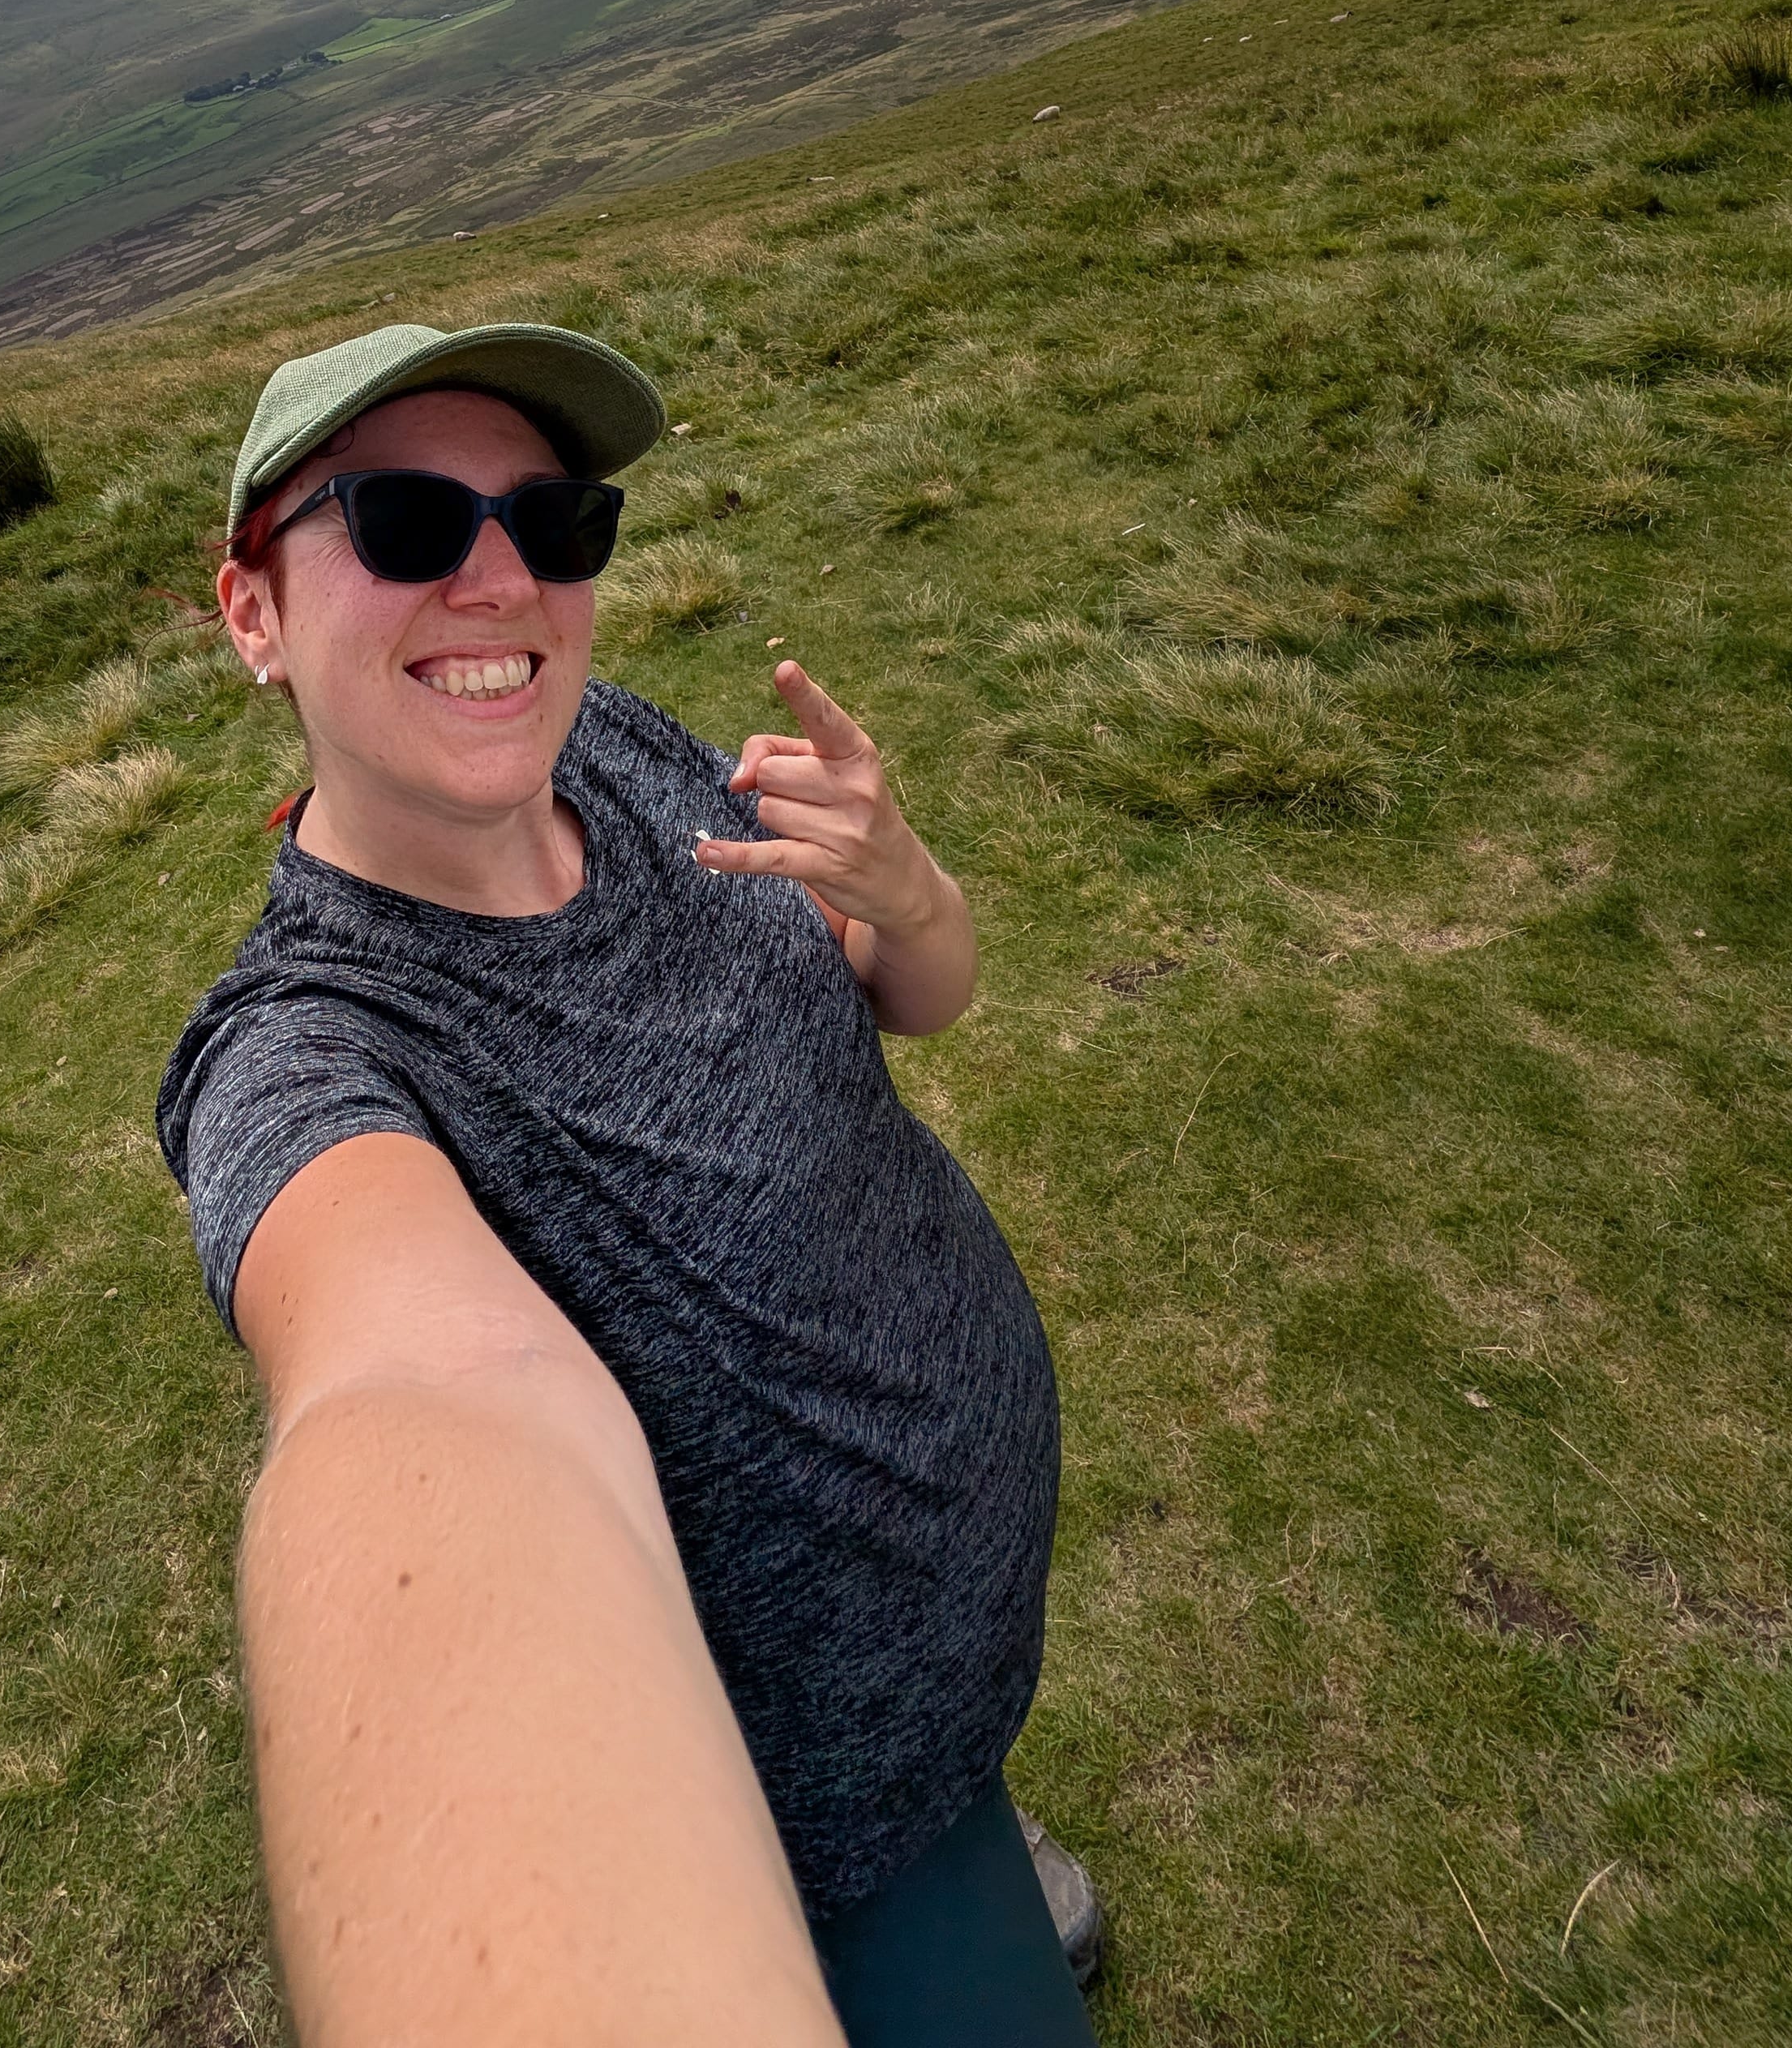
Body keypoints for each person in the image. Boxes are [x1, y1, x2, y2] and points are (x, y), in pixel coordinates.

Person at [156, 319, 1098, 2044]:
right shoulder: (306, 1054)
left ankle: (985, 1825)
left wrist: (911, 891)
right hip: (808, 1775)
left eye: (553, 520)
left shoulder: (622, 749)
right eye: (404, 526)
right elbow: (416, 1392)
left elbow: (919, 999)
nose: (503, 582)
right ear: (252, 616)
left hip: (956, 1621)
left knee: (968, 1809)